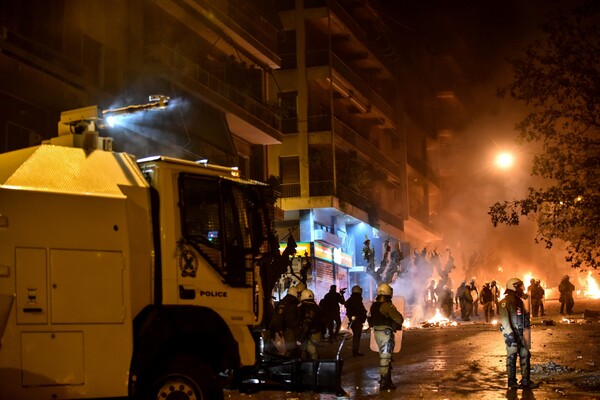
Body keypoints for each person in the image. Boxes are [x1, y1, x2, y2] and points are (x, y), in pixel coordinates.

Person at [499, 278, 538, 390]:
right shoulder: (504, 303)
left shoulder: (519, 301)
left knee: (525, 355)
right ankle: (512, 381)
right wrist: (510, 334)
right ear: (514, 287)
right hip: (512, 334)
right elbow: (505, 320)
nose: (522, 289)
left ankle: (525, 380)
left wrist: (527, 330)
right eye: (520, 286)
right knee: (512, 357)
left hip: (523, 332)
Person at [368, 283, 404, 391]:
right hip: (386, 334)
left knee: (384, 357)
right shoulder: (387, 305)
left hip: (377, 333)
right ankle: (384, 381)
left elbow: (370, 319)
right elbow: (399, 319)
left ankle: (387, 380)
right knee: (385, 358)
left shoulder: (374, 305)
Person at [269, 286, 300, 356]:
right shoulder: (292, 304)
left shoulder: (281, 303)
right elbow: (292, 320)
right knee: (290, 350)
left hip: (277, 329)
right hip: (288, 330)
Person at [297, 289, 324, 360]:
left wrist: (300, 339)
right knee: (313, 353)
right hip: (316, 334)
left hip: (307, 334)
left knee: (306, 352)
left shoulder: (303, 308)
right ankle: (314, 366)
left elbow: (307, 324)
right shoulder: (318, 308)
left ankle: (309, 368)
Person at [344, 285, 368, 357]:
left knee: (356, 336)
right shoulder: (356, 299)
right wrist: (364, 313)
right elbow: (360, 309)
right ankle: (355, 352)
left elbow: (346, 305)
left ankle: (355, 351)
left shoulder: (351, 299)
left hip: (354, 320)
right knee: (357, 336)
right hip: (357, 320)